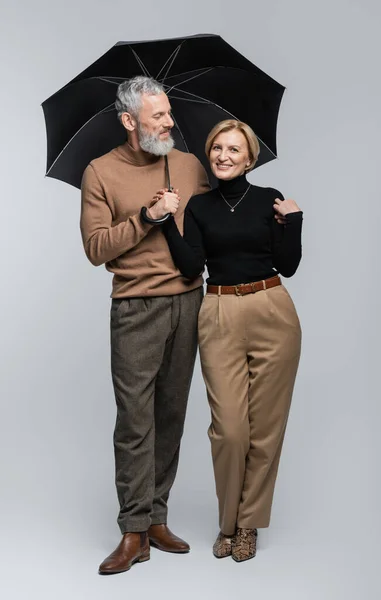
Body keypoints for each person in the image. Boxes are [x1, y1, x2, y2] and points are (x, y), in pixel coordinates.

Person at [80, 76, 209, 575]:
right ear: (129, 121)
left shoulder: (189, 165)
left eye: (169, 113)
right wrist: (147, 215)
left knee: (172, 412)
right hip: (135, 308)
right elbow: (95, 249)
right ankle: (133, 531)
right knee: (136, 421)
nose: (170, 122)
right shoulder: (100, 172)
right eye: (159, 117)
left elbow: (218, 214)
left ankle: (157, 517)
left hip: (189, 303)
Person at [158, 119, 303, 562]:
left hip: (272, 310)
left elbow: (289, 263)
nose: (223, 155)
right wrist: (167, 220)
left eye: (234, 149)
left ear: (249, 157)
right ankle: (227, 521)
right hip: (218, 312)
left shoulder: (268, 199)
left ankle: (247, 526)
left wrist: (293, 221)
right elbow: (189, 268)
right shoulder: (199, 206)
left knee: (265, 431)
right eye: (217, 147)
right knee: (231, 431)